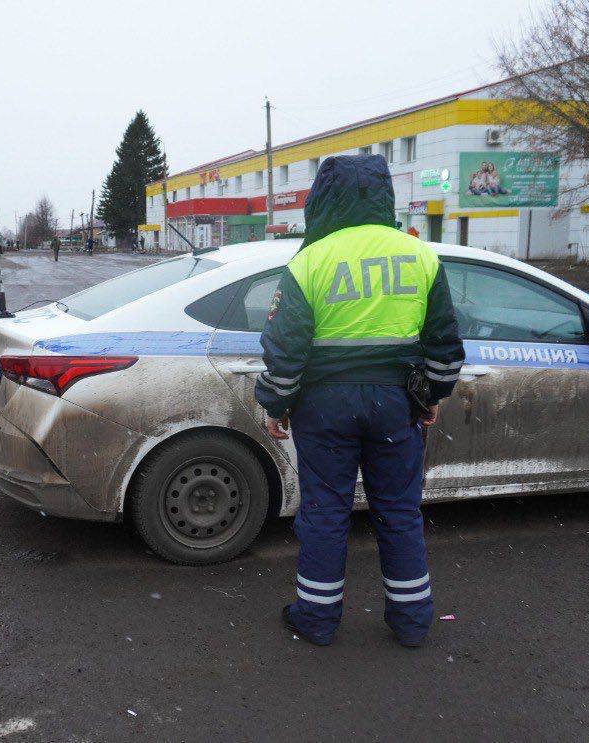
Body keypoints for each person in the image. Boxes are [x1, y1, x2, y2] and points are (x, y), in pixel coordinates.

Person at [256, 154, 463, 648]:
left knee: (326, 512)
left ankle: (318, 619)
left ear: (322, 198)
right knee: (399, 511)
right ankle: (412, 622)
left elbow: (285, 350)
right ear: (383, 195)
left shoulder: (310, 260)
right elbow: (445, 345)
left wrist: (276, 404)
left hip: (324, 408)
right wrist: (431, 396)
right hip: (395, 404)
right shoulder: (421, 256)